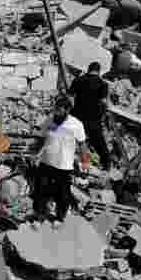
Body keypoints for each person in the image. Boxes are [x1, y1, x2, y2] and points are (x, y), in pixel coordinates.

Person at [34, 95, 85, 223]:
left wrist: (86, 162)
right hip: (46, 161)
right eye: (55, 109)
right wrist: (35, 153)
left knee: (63, 194)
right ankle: (39, 215)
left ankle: (59, 217)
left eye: (59, 110)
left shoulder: (76, 125)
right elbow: (41, 137)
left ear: (67, 110)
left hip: (64, 166)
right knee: (41, 190)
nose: (56, 112)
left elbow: (83, 144)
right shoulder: (50, 120)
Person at [70, 61, 112, 171]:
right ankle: (105, 165)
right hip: (93, 120)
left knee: (77, 142)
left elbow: (69, 96)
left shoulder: (78, 80)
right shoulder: (103, 84)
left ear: (88, 69)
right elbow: (104, 103)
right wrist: (102, 115)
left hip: (77, 117)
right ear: (99, 71)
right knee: (99, 144)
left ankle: (73, 164)